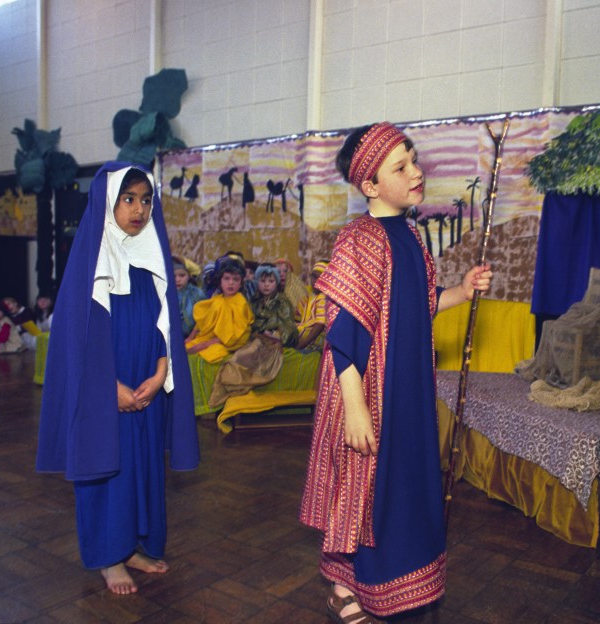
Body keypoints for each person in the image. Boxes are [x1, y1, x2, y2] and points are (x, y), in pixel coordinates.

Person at [299, 122, 492, 622]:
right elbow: (342, 331)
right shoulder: (358, 240)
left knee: (400, 487)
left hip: (408, 392)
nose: (416, 172)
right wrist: (356, 407)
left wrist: (463, 292)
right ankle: (354, 588)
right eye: (400, 167)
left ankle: (377, 586)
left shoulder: (409, 236)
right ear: (369, 185)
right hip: (371, 392)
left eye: (414, 161)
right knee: (369, 493)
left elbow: (420, 307)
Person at [36, 163, 199, 595]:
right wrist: (109, 388)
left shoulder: (151, 258)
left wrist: (162, 370)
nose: (139, 209)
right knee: (105, 468)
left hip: (147, 385)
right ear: (107, 203)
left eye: (146, 200)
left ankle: (130, 547)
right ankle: (108, 556)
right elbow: (76, 342)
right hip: (106, 391)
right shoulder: (90, 263)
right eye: (128, 199)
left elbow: (167, 323)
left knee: (142, 467)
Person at [207, 263, 298, 407]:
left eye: (270, 281)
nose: (266, 285)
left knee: (241, 356)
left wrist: (276, 335)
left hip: (272, 343)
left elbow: (289, 325)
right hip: (256, 339)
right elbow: (249, 323)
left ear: (276, 282)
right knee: (239, 354)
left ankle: (231, 387)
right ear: (256, 282)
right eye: (262, 281)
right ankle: (231, 387)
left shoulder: (282, 302)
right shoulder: (254, 301)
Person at [184, 258, 253, 363]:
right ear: (220, 280)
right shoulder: (217, 298)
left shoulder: (240, 302)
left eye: (235, 279)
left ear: (241, 283)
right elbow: (202, 321)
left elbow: (233, 334)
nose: (231, 283)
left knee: (210, 354)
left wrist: (205, 345)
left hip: (230, 341)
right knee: (185, 347)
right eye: (227, 278)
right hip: (211, 338)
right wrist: (190, 337)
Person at [296, 260, 328, 351]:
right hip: (306, 329)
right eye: (313, 277)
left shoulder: (323, 297)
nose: (315, 281)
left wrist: (301, 345)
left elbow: (319, 325)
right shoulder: (311, 296)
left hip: (317, 335)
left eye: (320, 278)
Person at [173, 260, 204, 337]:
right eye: (173, 276)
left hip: (195, 336)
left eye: (182, 275)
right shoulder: (164, 294)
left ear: (189, 276)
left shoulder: (197, 294)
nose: (177, 280)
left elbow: (204, 319)